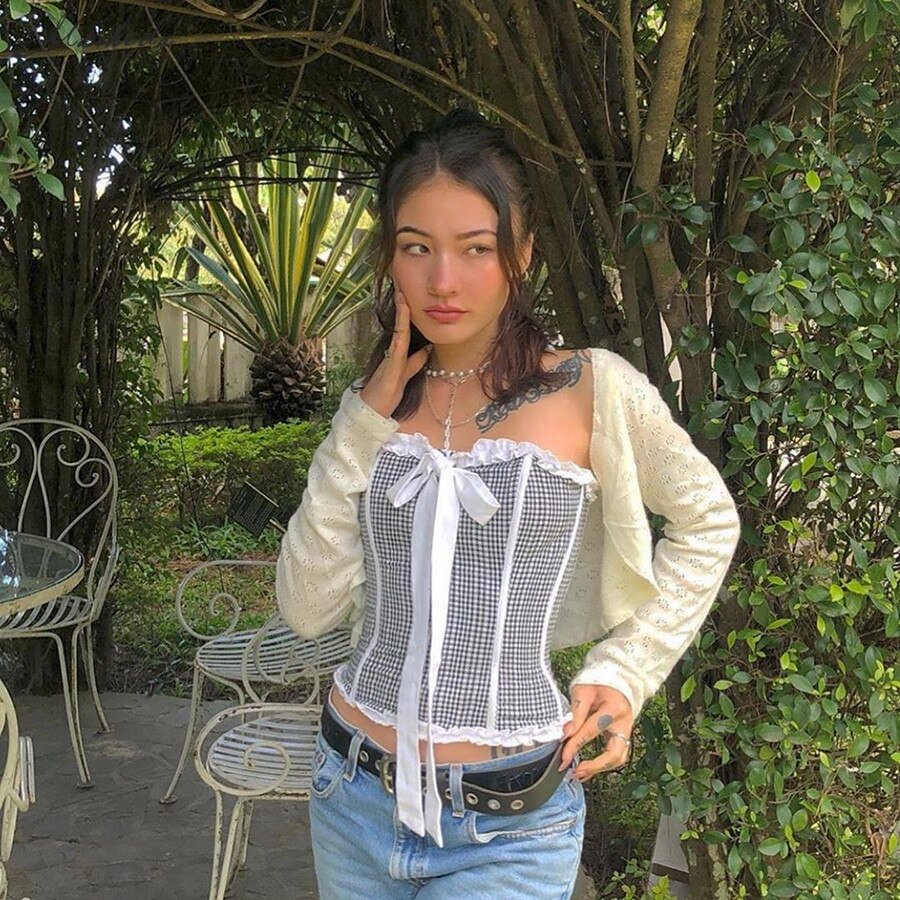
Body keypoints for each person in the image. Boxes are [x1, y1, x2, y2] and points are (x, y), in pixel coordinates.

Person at [276, 108, 740, 899]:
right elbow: (306, 607)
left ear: (521, 256)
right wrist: (358, 426)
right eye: (416, 247)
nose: (443, 281)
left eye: (476, 248)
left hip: (512, 828)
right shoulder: (373, 406)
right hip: (350, 795)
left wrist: (628, 670)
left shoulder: (590, 387)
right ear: (389, 257)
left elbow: (708, 520)